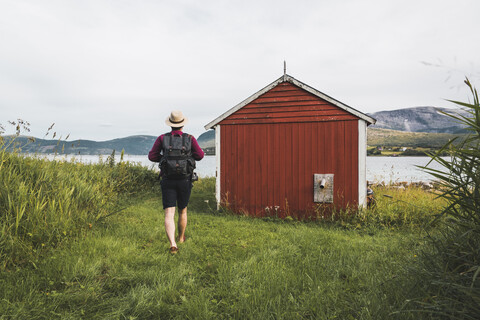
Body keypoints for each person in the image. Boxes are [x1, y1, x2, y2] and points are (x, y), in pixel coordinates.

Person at [148, 110, 204, 254]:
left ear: (170, 124)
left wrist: (164, 158)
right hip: (185, 179)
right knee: (182, 210)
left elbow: (152, 156)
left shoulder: (162, 138)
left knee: (169, 213)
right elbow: (200, 156)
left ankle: (173, 244)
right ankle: (180, 238)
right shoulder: (190, 138)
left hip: (167, 180)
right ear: (182, 124)